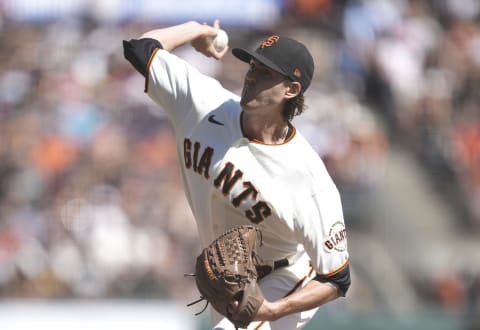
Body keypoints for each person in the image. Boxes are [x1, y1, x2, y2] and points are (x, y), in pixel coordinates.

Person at [123, 19, 350, 330]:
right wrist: (198, 31)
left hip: (286, 278)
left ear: (291, 89)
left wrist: (272, 310)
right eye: (252, 67)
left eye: (265, 74)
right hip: (230, 281)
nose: (251, 78)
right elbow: (141, 49)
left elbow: (337, 279)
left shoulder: (308, 178)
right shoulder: (205, 104)